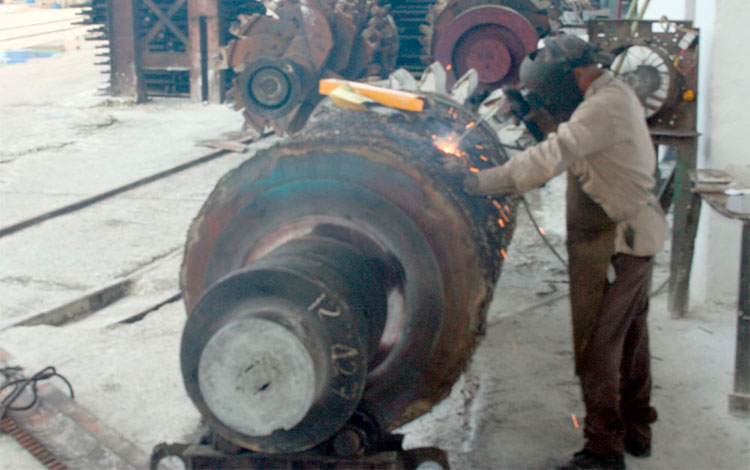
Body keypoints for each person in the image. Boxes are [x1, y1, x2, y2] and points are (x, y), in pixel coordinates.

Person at [462, 35, 668, 469]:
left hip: (620, 242)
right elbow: (581, 145)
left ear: (573, 75)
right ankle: (637, 430)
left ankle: (603, 450)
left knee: (597, 348)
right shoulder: (611, 92)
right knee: (631, 339)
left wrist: (479, 183)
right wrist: (539, 121)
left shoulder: (601, 107)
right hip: (636, 234)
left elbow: (553, 155)